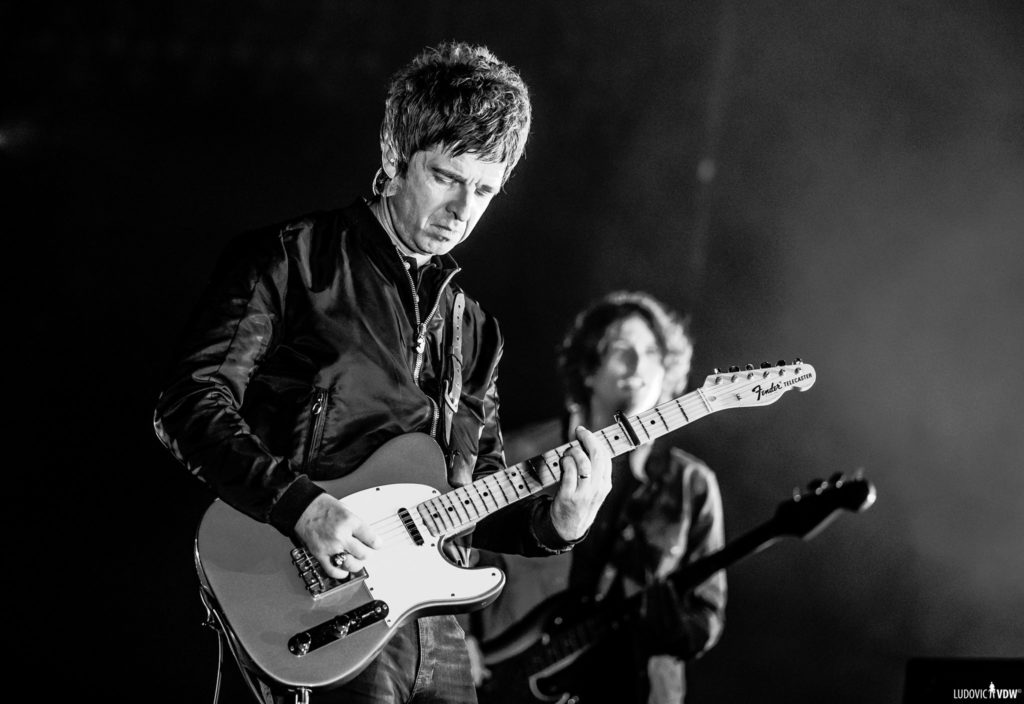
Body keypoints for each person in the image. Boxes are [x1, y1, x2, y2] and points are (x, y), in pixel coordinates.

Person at [152, 42, 612, 704]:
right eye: (447, 177)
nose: (463, 210)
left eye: (485, 190)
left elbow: (475, 499)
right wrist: (299, 506)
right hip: (318, 607)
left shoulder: (475, 331)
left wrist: (558, 523)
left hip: (435, 628)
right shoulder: (293, 259)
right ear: (395, 156)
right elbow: (189, 403)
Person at [466, 291, 727, 704]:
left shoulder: (692, 484)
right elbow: (460, 549)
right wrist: (461, 637)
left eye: (652, 353)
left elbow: (707, 617)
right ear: (588, 369)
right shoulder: (518, 454)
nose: (639, 366)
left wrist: (675, 628)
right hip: (509, 682)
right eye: (622, 350)